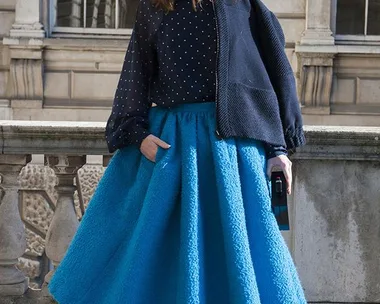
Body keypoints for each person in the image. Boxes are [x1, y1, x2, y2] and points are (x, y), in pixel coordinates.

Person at [48, 0, 307, 303]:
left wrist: (279, 148)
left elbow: (271, 73)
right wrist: (137, 134)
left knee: (238, 255)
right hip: (172, 147)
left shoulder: (242, 4)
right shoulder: (155, 6)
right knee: (151, 256)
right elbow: (136, 72)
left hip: (233, 153)